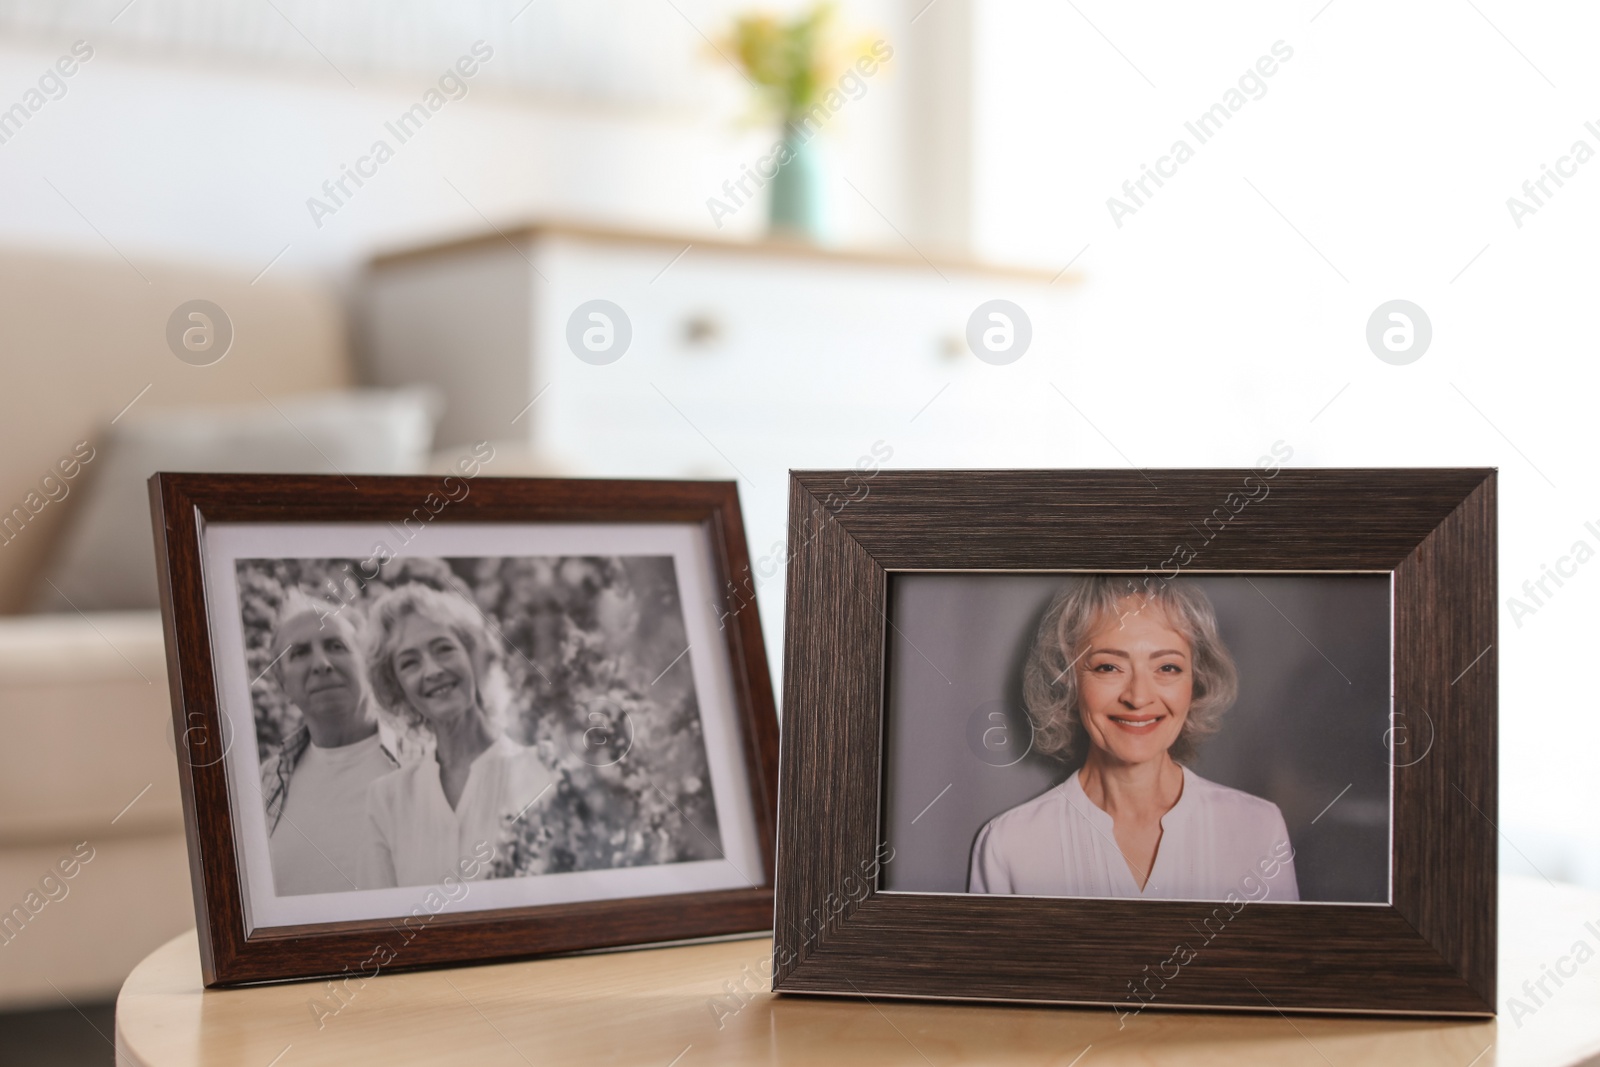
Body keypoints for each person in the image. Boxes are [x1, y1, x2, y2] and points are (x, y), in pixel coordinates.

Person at [969, 576, 1299, 902]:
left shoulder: (1259, 829)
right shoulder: (1009, 844)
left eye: (1167, 668)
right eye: (1109, 668)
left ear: (1196, 682)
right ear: (1069, 681)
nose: (1139, 697)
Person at [360, 582, 554, 889]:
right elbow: (384, 925)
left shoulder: (542, 773)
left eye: (444, 648)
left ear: (474, 656)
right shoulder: (387, 800)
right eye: (410, 662)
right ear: (397, 687)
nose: (433, 670)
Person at [260, 590, 397, 896]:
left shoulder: (426, 762)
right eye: (299, 653)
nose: (321, 663)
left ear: (368, 664)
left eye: (336, 646)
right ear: (283, 684)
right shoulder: (261, 788)